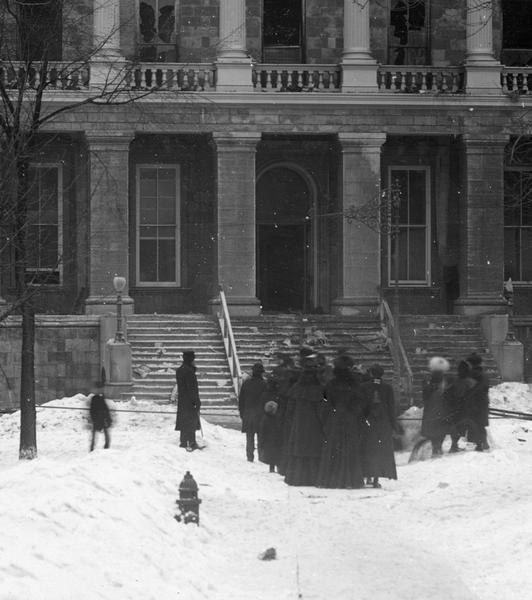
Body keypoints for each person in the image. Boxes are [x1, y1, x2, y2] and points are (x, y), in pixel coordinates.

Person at [316, 356, 365, 489]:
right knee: (349, 448)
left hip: (335, 417)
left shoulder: (331, 384)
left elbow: (325, 402)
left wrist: (328, 416)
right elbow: (360, 402)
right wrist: (353, 413)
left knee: (333, 448)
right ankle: (350, 480)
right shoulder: (354, 384)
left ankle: (331, 479)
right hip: (349, 418)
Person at [284, 355, 325, 487]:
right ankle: (313, 478)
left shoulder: (296, 388)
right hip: (314, 426)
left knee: (299, 451)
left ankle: (296, 478)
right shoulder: (319, 389)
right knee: (313, 451)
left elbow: (289, 409)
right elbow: (322, 410)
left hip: (299, 425)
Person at [360, 364, 399, 488]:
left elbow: (361, 406)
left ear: (370, 373)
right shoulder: (387, 388)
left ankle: (368, 477)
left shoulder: (363, 387)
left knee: (367, 448)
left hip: (368, 421)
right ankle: (376, 479)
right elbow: (392, 408)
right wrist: (394, 425)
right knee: (380, 450)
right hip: (384, 422)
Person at [420, 356, 452, 457]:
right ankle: (437, 447)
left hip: (434, 409)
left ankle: (436, 447)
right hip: (440, 409)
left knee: (435, 430)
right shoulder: (444, 383)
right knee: (439, 430)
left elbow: (425, 397)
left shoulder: (431, 383)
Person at [238, 362, 267, 462]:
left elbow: (241, 400)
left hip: (248, 414)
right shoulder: (264, 384)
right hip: (260, 415)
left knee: (249, 437)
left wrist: (242, 414)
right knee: (261, 437)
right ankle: (261, 457)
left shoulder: (246, 383)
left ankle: (249, 456)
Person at [445, 360, 475, 452]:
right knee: (459, 428)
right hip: (461, 409)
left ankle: (454, 445)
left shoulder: (459, 381)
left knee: (458, 428)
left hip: (458, 409)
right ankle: (454, 446)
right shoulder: (468, 382)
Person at [175, 350, 201, 451]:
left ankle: (183, 441)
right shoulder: (189, 371)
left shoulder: (180, 370)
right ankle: (192, 442)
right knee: (191, 421)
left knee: (184, 421)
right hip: (190, 401)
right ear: (191, 359)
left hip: (182, 400)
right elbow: (192, 388)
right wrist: (196, 401)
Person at [464, 353, 490, 452]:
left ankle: (479, 444)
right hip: (482, 403)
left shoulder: (470, 375)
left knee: (474, 424)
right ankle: (481, 443)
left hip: (473, 403)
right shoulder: (484, 375)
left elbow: (469, 389)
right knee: (480, 424)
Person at [258, 391, 283, 473]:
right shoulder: (277, 418)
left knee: (272, 456)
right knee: (278, 455)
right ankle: (278, 468)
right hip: (276, 439)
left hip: (269, 440)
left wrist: (261, 441)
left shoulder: (264, 419)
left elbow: (262, 431)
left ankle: (272, 468)